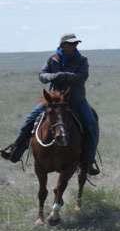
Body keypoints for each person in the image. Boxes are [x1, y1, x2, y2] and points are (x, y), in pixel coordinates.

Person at [1, 33, 101, 176]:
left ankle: (88, 160)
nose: (74, 46)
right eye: (70, 43)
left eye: (75, 44)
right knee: (31, 118)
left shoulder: (81, 59)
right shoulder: (53, 58)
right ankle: (16, 150)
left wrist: (66, 76)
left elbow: (82, 76)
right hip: (53, 99)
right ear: (62, 45)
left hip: (75, 99)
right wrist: (52, 76)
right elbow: (42, 75)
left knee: (91, 123)